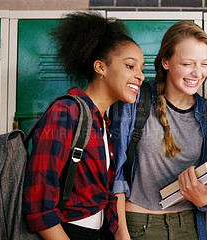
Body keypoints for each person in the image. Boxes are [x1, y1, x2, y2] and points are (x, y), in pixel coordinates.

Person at [22, 12, 144, 240]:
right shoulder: (66, 113)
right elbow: (39, 205)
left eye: (141, 69)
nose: (140, 76)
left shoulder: (102, 122)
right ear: (100, 67)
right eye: (130, 66)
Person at [110, 21, 207, 240]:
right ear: (166, 62)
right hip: (137, 225)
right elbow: (115, 170)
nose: (198, 72)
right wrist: (121, 234)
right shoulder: (135, 99)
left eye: (205, 64)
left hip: (189, 226)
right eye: (187, 63)